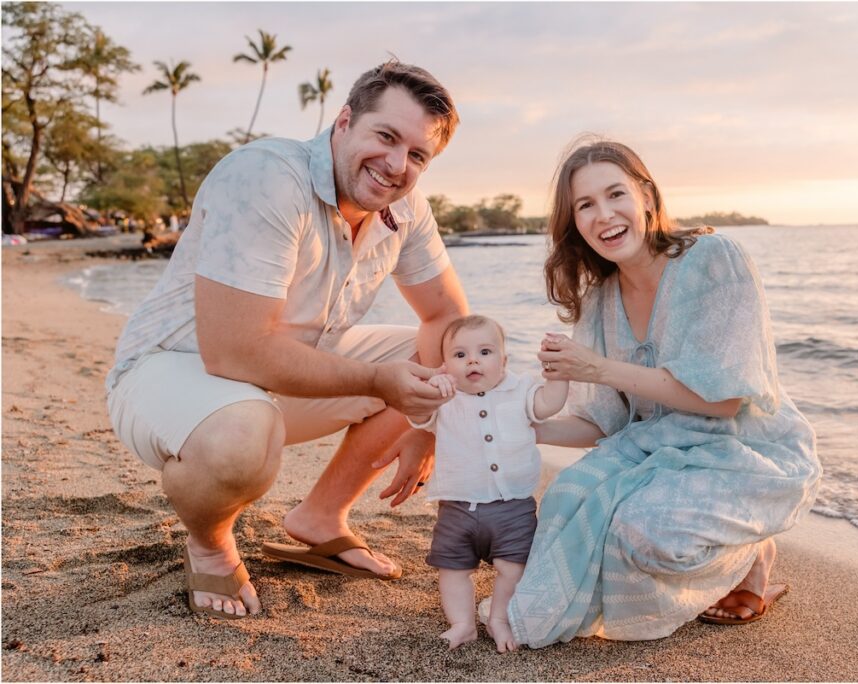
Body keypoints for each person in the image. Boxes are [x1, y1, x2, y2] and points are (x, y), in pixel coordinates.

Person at [105, 60, 470, 620]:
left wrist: (427, 420)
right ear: (344, 120)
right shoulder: (267, 176)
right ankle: (210, 543)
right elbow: (234, 350)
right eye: (386, 136)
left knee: (450, 358)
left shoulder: (405, 207)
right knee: (240, 436)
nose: (397, 165)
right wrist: (379, 382)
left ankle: (321, 517)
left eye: (418, 155)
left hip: (280, 378)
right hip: (173, 370)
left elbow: (447, 313)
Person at [502, 139, 821, 647]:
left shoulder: (714, 260)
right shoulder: (600, 299)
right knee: (565, 497)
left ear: (647, 196)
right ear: (574, 222)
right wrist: (514, 425)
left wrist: (599, 368)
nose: (604, 215)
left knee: (645, 533)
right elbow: (604, 425)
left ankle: (751, 553)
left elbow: (722, 400)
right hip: (657, 454)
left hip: (742, 451)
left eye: (615, 194)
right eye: (585, 205)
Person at [408, 315, 568, 652]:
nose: (473, 361)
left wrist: (557, 375)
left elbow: (548, 405)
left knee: (514, 568)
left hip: (513, 508)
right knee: (452, 569)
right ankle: (463, 623)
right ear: (445, 365)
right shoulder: (444, 397)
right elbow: (418, 416)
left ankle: (499, 617)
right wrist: (430, 388)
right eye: (460, 355)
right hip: (457, 507)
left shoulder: (520, 389)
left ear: (504, 361)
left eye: (484, 352)